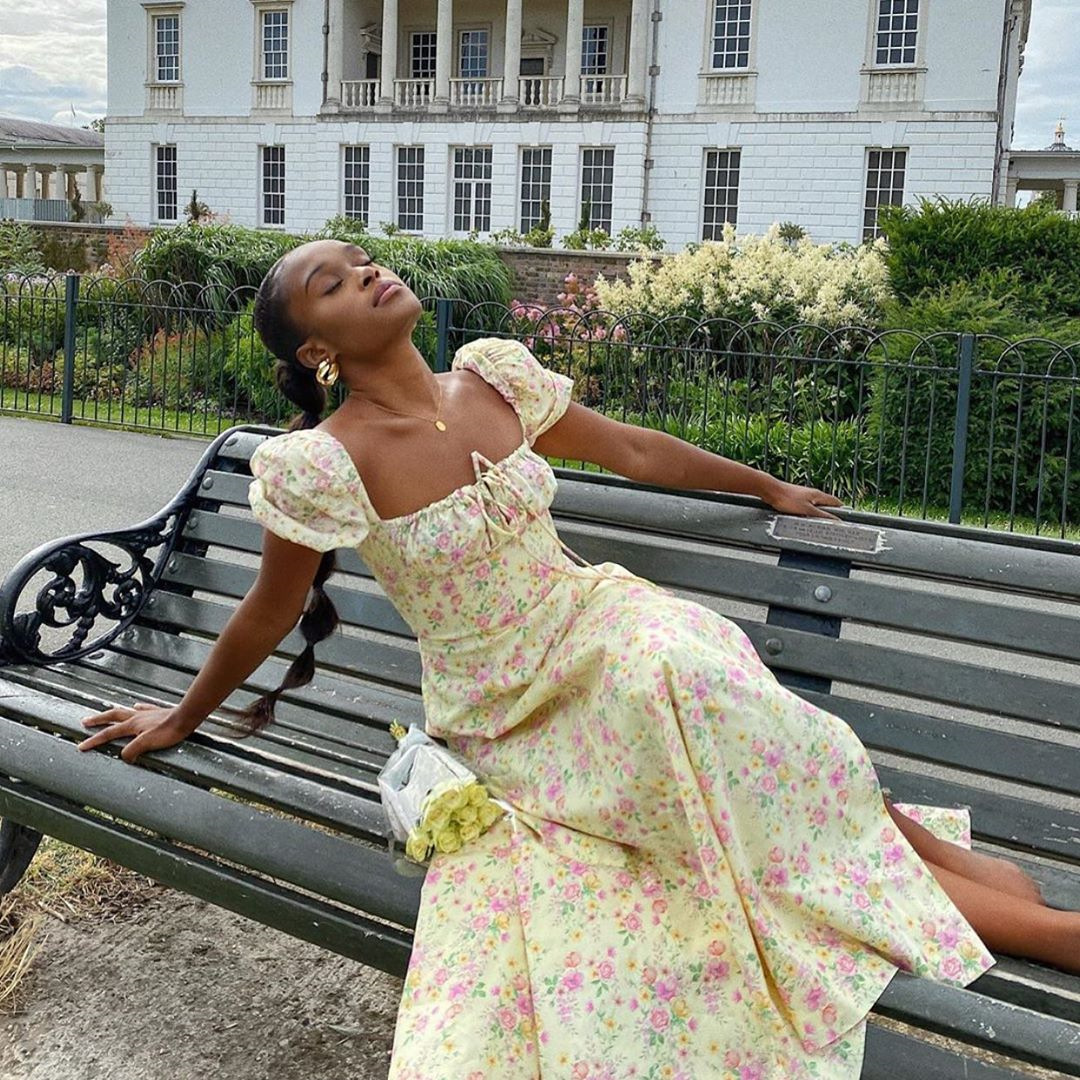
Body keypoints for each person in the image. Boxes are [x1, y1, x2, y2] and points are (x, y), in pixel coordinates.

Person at [77, 239, 1079, 1078]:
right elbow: (268, 610)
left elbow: (634, 451)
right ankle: (1027, 922)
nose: (368, 273)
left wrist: (765, 485)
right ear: (317, 349)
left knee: (683, 669)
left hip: (599, 622)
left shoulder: (492, 379)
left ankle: (943, 863)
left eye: (363, 260)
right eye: (334, 284)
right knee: (682, 722)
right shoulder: (323, 463)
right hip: (509, 703)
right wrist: (181, 716)